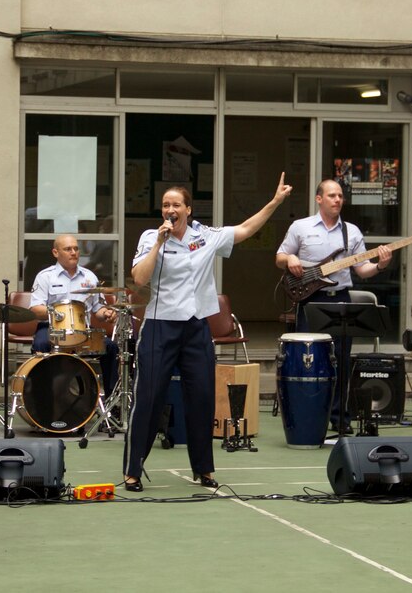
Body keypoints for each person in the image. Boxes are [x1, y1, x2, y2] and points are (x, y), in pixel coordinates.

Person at [124, 173, 293, 492]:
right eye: (165, 205)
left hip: (196, 326)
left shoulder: (205, 235)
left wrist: (274, 203)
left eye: (175, 204)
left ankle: (203, 469)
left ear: (188, 209)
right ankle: (133, 469)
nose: (169, 210)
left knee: (201, 398)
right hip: (161, 325)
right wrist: (159, 243)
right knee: (149, 397)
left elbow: (244, 230)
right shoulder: (151, 237)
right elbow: (139, 279)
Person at [275, 179, 393, 433]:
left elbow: (362, 270)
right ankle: (310, 411)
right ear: (319, 199)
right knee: (311, 357)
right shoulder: (301, 227)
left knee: (340, 357)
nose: (337, 199)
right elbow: (280, 257)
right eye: (332, 195)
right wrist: (291, 259)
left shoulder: (352, 232)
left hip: (341, 298)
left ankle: (340, 417)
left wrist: (381, 265)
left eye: (340, 195)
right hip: (310, 299)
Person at [28, 234, 120, 393]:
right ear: (56, 253)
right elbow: (35, 309)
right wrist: (56, 312)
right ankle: (41, 399)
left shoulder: (90, 277)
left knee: (111, 347)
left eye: (76, 249)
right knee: (40, 344)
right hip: (52, 329)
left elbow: (98, 308)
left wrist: (107, 314)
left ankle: (112, 401)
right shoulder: (45, 277)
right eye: (68, 249)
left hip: (83, 331)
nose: (73, 252)